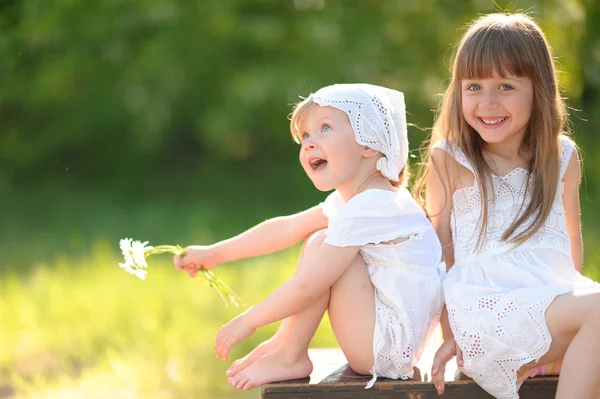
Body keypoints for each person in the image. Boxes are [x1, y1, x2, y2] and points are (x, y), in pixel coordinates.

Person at [174, 83, 444, 390]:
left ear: (369, 144)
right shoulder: (361, 200)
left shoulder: (373, 204)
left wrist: (248, 321)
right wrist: (214, 253)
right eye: (305, 136)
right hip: (384, 339)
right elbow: (288, 228)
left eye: (324, 128)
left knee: (323, 246)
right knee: (320, 239)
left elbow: (308, 286)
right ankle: (287, 345)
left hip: (384, 349)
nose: (309, 144)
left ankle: (291, 353)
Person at [414, 13, 600, 399]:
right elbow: (439, 258)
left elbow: (569, 244)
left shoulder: (560, 155)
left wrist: (566, 314)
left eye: (505, 86)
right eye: (474, 86)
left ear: (538, 89)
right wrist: (450, 337)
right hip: (484, 315)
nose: (488, 102)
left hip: (547, 307)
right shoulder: (449, 160)